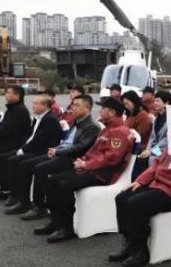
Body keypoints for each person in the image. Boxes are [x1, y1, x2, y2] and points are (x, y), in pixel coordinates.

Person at [36, 97, 135, 243]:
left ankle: (66, 228)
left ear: (112, 112)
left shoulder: (119, 132)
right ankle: (56, 221)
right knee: (52, 181)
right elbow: (94, 152)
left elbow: (111, 158)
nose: (100, 111)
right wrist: (83, 160)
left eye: (103, 109)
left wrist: (86, 165)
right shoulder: (107, 129)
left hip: (103, 174)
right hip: (92, 169)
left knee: (64, 185)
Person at [10, 94, 100, 219]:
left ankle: (40, 207)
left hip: (73, 159)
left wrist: (57, 152)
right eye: (73, 105)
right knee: (25, 165)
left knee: (40, 168)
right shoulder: (77, 123)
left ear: (87, 108)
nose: (73, 108)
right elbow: (67, 142)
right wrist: (56, 149)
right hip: (62, 154)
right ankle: (24, 202)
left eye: (77, 106)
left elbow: (79, 148)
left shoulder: (91, 126)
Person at [0, 94, 62, 202]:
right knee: (1, 158)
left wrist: (23, 150)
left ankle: (21, 199)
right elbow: (29, 136)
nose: (33, 106)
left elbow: (38, 140)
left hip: (42, 151)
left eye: (36, 104)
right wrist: (22, 147)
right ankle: (7, 190)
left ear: (45, 106)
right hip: (32, 148)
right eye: (33, 103)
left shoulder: (49, 119)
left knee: (17, 162)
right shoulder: (38, 118)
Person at [140, 90, 171, 168]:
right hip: (157, 149)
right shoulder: (157, 118)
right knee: (142, 158)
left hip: (166, 151)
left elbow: (166, 140)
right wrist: (148, 149)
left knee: (151, 159)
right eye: (155, 101)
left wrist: (151, 152)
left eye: (158, 101)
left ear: (166, 102)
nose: (155, 103)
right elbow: (152, 137)